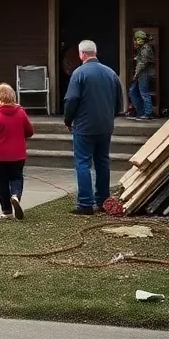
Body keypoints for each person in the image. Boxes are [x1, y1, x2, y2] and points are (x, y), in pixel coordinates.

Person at [63, 39, 123, 216]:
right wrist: (110, 117)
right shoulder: (111, 73)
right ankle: (103, 200)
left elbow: (71, 100)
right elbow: (119, 101)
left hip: (84, 126)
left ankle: (85, 204)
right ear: (95, 53)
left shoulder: (79, 74)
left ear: (81, 54)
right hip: (105, 125)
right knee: (103, 161)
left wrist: (68, 120)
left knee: (82, 162)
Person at [0, 83, 34, 220]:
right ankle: (15, 195)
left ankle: (6, 211)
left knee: (2, 182)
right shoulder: (20, 113)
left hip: (0, 157)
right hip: (18, 154)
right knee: (17, 177)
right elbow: (29, 132)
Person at [128, 30, 156, 120]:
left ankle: (148, 113)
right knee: (132, 91)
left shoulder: (145, 49)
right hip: (141, 73)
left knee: (144, 92)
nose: (134, 42)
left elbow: (142, 63)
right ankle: (140, 112)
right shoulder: (141, 48)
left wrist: (136, 74)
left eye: (136, 40)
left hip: (145, 73)